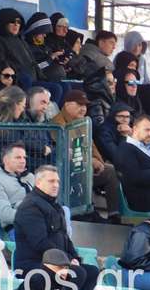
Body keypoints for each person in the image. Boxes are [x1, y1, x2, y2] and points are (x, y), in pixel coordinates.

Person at [13, 165, 99, 290]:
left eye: (57, 181)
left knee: (92, 271)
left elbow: (66, 239)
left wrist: (74, 258)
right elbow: (40, 242)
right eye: (51, 181)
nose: (56, 185)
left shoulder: (56, 207)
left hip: (57, 262)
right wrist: (67, 260)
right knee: (77, 273)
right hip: (34, 264)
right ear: (38, 183)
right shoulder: (30, 207)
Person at [51, 90, 121, 223]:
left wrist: (99, 162)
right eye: (79, 104)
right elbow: (68, 150)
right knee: (84, 169)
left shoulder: (83, 122)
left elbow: (92, 146)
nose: (83, 108)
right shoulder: (57, 123)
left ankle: (114, 215)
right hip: (66, 171)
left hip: (84, 164)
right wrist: (90, 162)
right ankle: (88, 211)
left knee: (110, 171)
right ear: (67, 104)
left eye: (85, 105)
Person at [0, 86, 52, 174]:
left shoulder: (9, 121)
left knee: (46, 164)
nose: (23, 110)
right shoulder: (0, 124)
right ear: (15, 104)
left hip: (9, 163)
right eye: (23, 106)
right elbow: (19, 141)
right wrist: (42, 148)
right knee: (45, 166)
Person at [0, 143, 35, 239]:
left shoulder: (30, 177)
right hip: (18, 227)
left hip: (40, 223)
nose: (23, 161)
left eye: (24, 158)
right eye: (18, 157)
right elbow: (5, 214)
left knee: (63, 210)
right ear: (6, 160)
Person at [93, 102, 134, 167]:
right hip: (109, 165)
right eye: (121, 116)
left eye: (127, 117)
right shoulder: (103, 131)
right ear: (113, 116)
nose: (125, 120)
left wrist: (132, 135)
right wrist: (123, 136)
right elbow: (117, 156)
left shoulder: (128, 129)